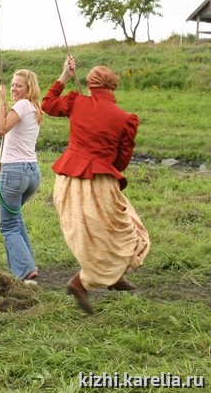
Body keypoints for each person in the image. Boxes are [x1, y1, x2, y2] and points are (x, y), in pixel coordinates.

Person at [41, 56, 150, 315]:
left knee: (93, 234)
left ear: (90, 84)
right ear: (113, 88)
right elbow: (121, 161)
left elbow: (47, 105)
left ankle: (111, 277)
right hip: (100, 182)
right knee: (127, 231)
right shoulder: (125, 119)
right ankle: (82, 282)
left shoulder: (76, 101)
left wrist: (64, 76)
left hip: (67, 179)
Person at [0, 69, 44, 285]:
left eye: (19, 85)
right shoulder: (34, 108)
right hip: (32, 172)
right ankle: (25, 264)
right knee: (15, 218)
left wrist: (1, 101)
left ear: (28, 88)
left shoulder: (22, 105)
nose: (14, 88)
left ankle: (25, 271)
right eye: (13, 84)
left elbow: (0, 129)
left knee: (7, 225)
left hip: (14, 173)